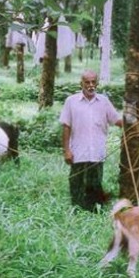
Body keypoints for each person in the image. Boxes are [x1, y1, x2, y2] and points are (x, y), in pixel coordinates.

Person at [59, 70, 122, 212]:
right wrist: (67, 150)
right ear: (81, 83)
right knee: (76, 184)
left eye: (93, 82)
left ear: (97, 83)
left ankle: (94, 212)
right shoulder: (71, 101)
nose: (90, 85)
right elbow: (66, 126)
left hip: (97, 153)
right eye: (87, 82)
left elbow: (117, 120)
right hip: (78, 152)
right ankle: (76, 211)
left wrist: (136, 122)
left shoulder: (104, 102)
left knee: (95, 184)